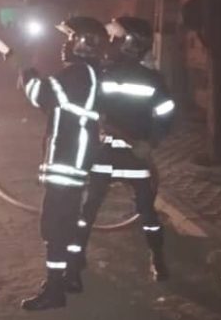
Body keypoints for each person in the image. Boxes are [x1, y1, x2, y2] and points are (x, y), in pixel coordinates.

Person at [64, 16, 175, 291]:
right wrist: (152, 141)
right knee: (132, 210)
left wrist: (151, 141)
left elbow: (165, 113)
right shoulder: (110, 73)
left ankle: (156, 258)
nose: (109, 42)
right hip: (122, 154)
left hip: (123, 154)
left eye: (115, 38)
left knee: (97, 208)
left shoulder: (113, 75)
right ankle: (155, 259)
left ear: (131, 44)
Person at [19, 16, 107, 311]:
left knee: (55, 227)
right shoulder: (85, 73)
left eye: (69, 38)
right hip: (73, 160)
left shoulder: (78, 74)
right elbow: (53, 103)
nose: (64, 44)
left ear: (85, 43)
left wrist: (24, 68)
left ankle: (54, 290)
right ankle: (70, 275)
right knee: (66, 223)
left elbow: (41, 94)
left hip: (68, 161)